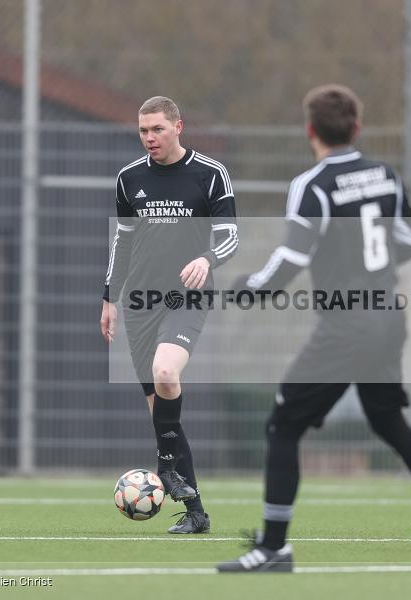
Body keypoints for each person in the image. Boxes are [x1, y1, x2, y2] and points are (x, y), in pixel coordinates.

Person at [216, 84, 411, 573]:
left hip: (348, 323)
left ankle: (273, 548)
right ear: (357, 128)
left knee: (283, 425)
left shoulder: (312, 185)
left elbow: (292, 257)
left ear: (309, 131)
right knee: (389, 422)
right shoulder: (385, 175)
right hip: (387, 317)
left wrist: (244, 288)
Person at [101, 96, 238, 534]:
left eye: (157, 129)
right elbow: (122, 241)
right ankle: (196, 514)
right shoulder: (129, 179)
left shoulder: (210, 174)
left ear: (179, 126)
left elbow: (231, 236)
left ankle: (164, 466)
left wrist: (207, 259)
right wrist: (109, 297)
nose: (149, 138)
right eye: (143, 131)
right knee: (164, 419)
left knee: (165, 372)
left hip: (187, 297)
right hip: (139, 304)